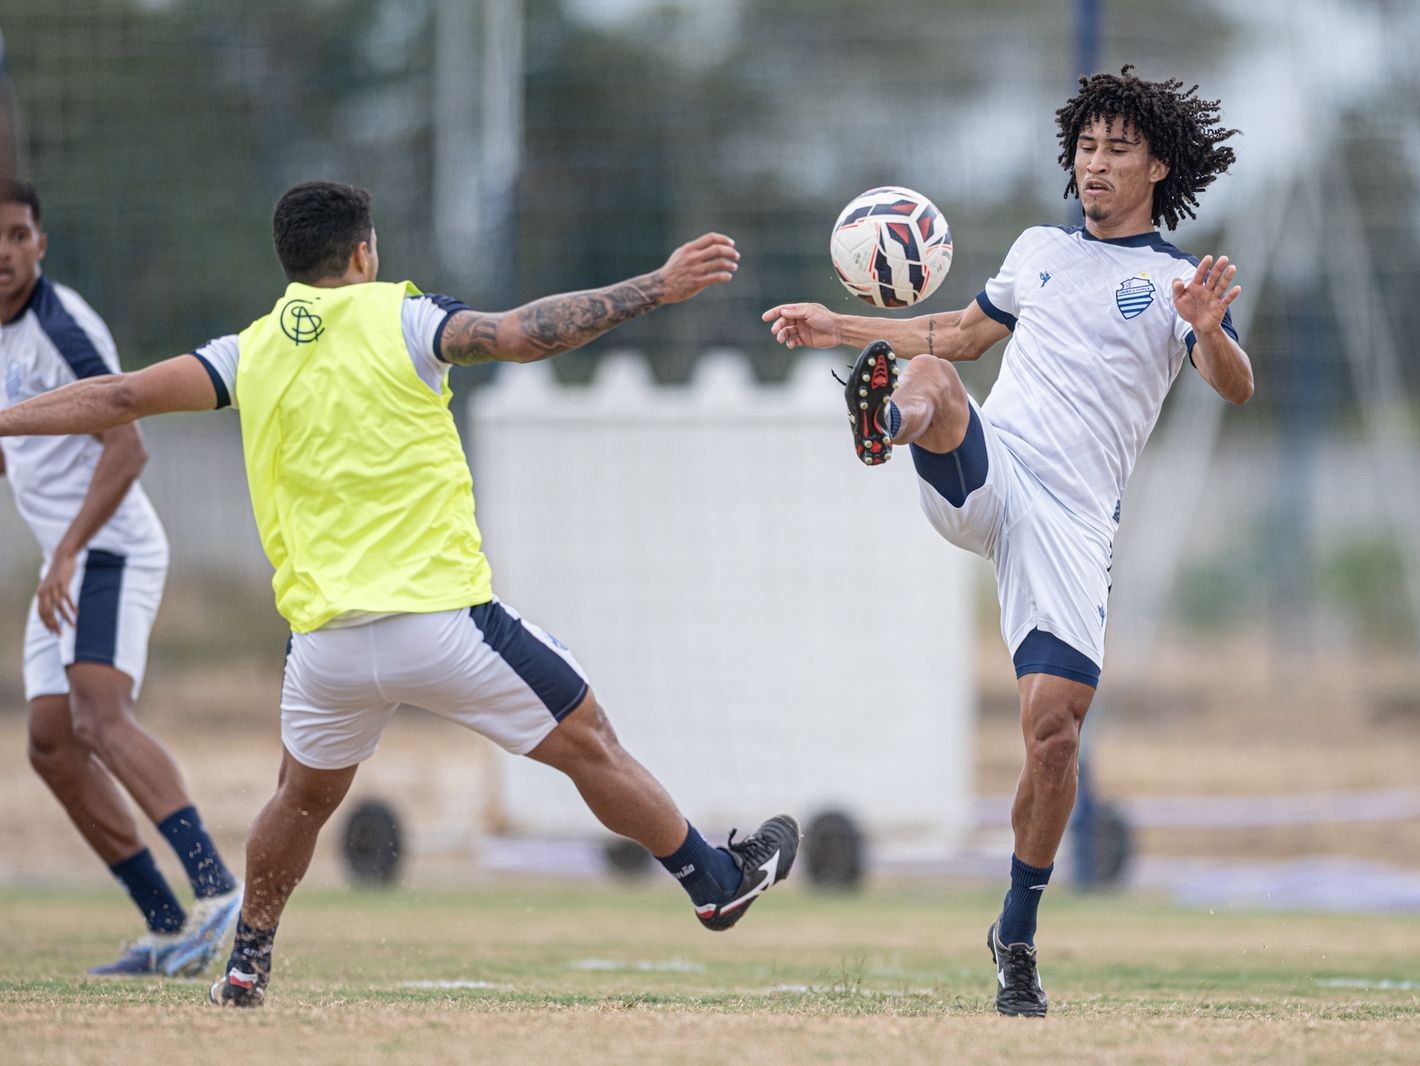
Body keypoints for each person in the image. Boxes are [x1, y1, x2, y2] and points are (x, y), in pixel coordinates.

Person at [0, 181, 800, 1008]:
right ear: (364, 252)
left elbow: (121, 396)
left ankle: (246, 964)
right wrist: (658, 286)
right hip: (443, 628)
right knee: (589, 742)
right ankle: (713, 881)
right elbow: (521, 334)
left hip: (326, 651)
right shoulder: (407, 317)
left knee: (299, 800)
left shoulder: (247, 351)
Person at [762, 67, 1252, 1017]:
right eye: (1086, 147)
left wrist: (1211, 331)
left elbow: (1233, 384)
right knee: (933, 376)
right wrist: (835, 328)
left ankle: (1015, 936)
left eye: (1117, 149)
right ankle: (885, 425)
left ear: (1157, 165)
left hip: (1071, 521)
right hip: (990, 465)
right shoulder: (1039, 250)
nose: (1096, 164)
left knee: (1054, 736)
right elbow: (957, 333)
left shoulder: (1176, 283)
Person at [0, 179, 241, 976]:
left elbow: (127, 445)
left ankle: (217, 888)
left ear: (41, 245)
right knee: (50, 745)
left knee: (99, 718)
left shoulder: (61, 326)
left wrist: (69, 550)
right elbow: (23, 453)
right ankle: (169, 926)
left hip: (109, 548)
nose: (5, 251)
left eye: (18, 235)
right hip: (67, 558)